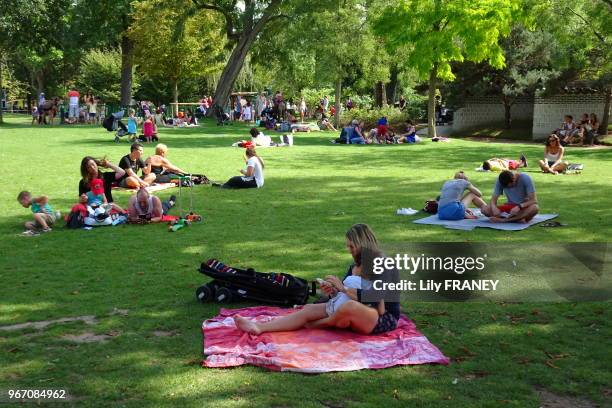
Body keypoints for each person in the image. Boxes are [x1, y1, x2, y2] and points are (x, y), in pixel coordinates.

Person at [234, 224, 400, 335]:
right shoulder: (355, 266)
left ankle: (320, 324)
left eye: (352, 246)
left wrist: (342, 288)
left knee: (349, 307)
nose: (349, 250)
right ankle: (259, 327)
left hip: (380, 317)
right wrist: (332, 292)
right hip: (351, 309)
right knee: (307, 310)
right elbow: (342, 295)